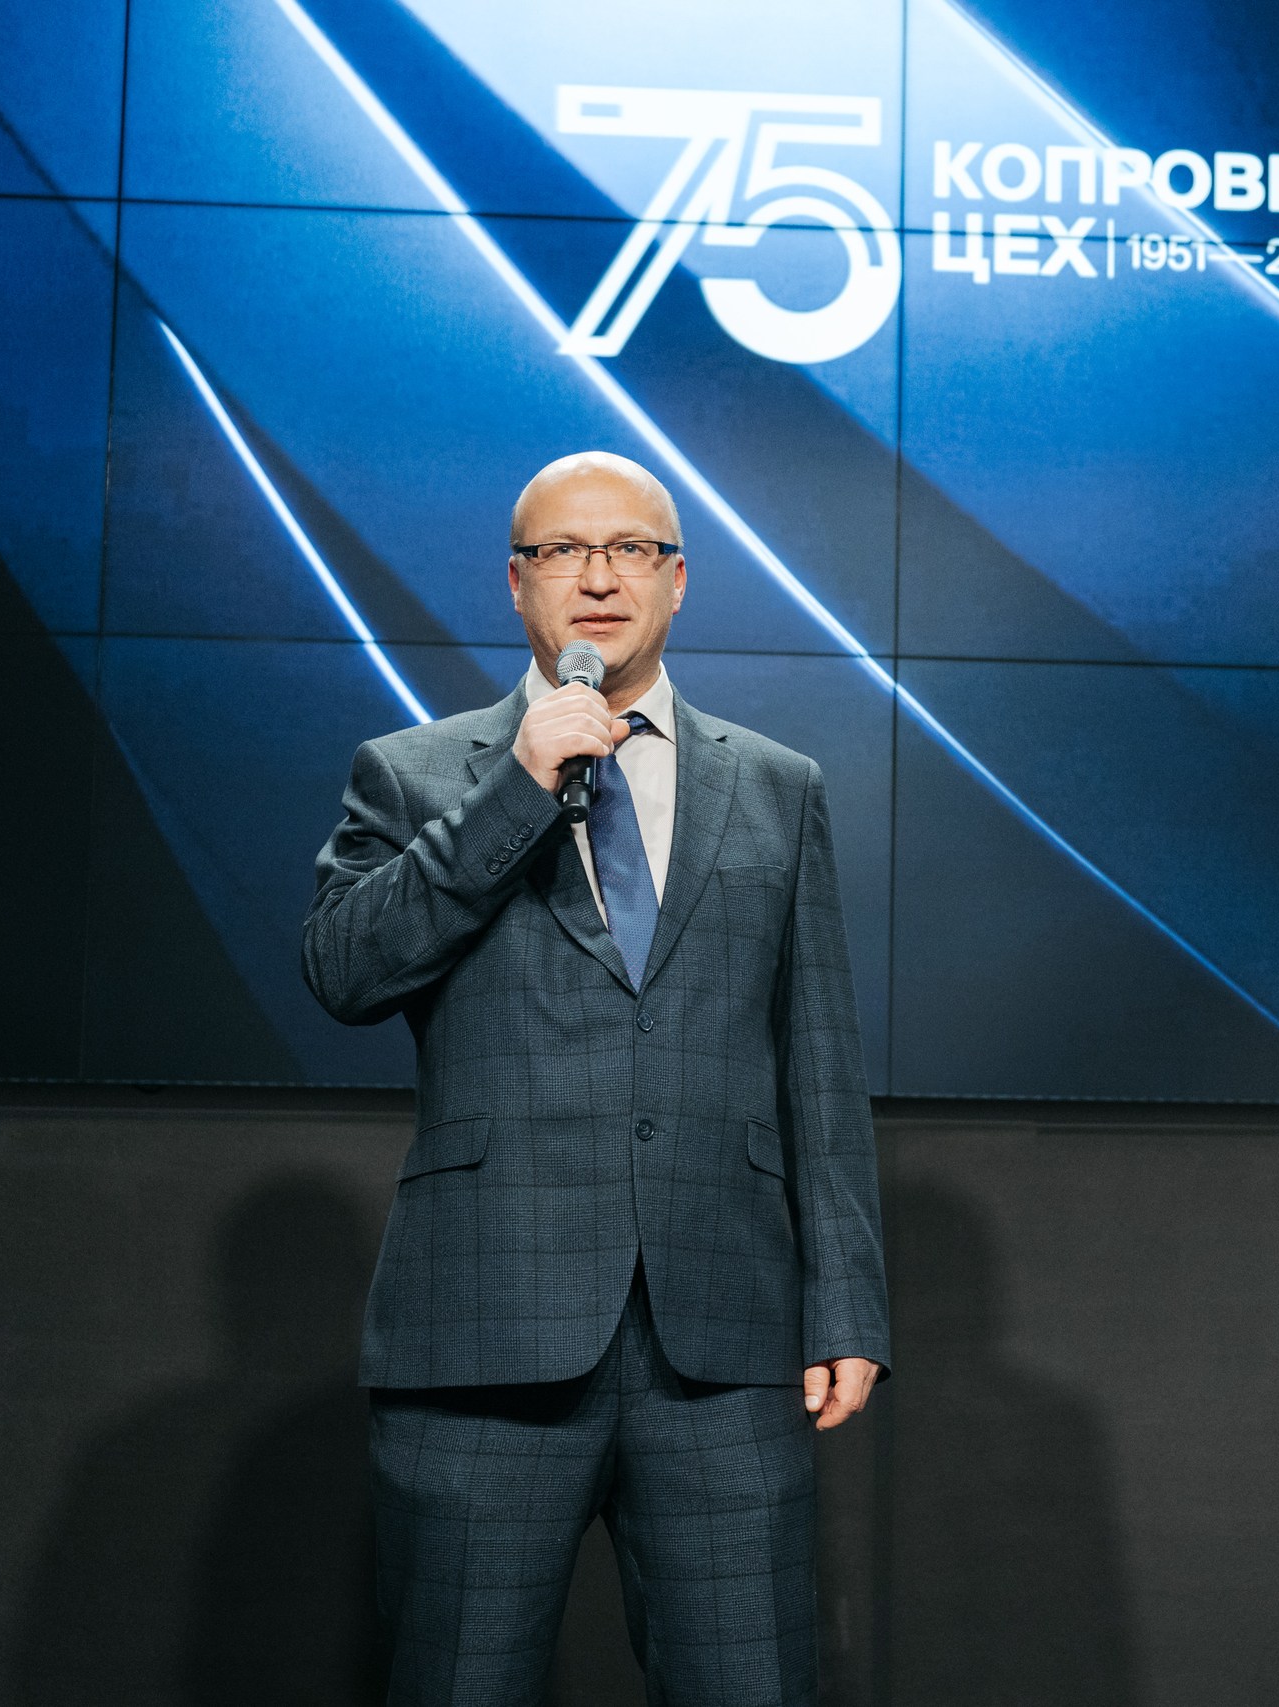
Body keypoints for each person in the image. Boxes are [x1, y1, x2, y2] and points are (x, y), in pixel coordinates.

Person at [302, 451, 889, 1706]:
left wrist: (845, 1304)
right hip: (484, 1335)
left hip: (723, 1343)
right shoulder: (414, 773)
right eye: (564, 551)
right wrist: (515, 789)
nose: (600, 578)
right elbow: (345, 972)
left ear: (678, 580)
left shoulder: (776, 787)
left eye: (631, 549)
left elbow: (819, 1062)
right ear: (517, 584)